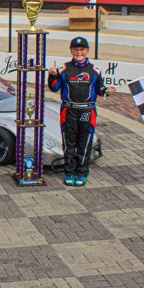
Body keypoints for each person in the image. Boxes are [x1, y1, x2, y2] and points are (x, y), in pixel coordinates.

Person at [47, 37, 116, 187]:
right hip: (69, 110)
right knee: (69, 143)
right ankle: (69, 172)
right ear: (71, 51)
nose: (79, 52)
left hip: (87, 110)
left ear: (87, 51)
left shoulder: (94, 70)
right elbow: (55, 87)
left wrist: (107, 91)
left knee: (84, 143)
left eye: (82, 50)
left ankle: (82, 172)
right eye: (76, 50)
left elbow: (100, 90)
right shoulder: (63, 69)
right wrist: (52, 75)